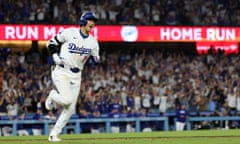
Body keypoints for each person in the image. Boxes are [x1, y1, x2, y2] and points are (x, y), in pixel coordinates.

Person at [45, 11, 100, 142]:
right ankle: (52, 95)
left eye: (94, 21)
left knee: (70, 110)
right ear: (83, 21)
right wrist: (54, 56)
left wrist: (95, 60)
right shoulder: (69, 33)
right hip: (61, 70)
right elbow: (50, 43)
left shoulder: (93, 42)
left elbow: (96, 58)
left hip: (76, 75)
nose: (92, 23)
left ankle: (53, 134)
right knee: (67, 100)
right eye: (90, 20)